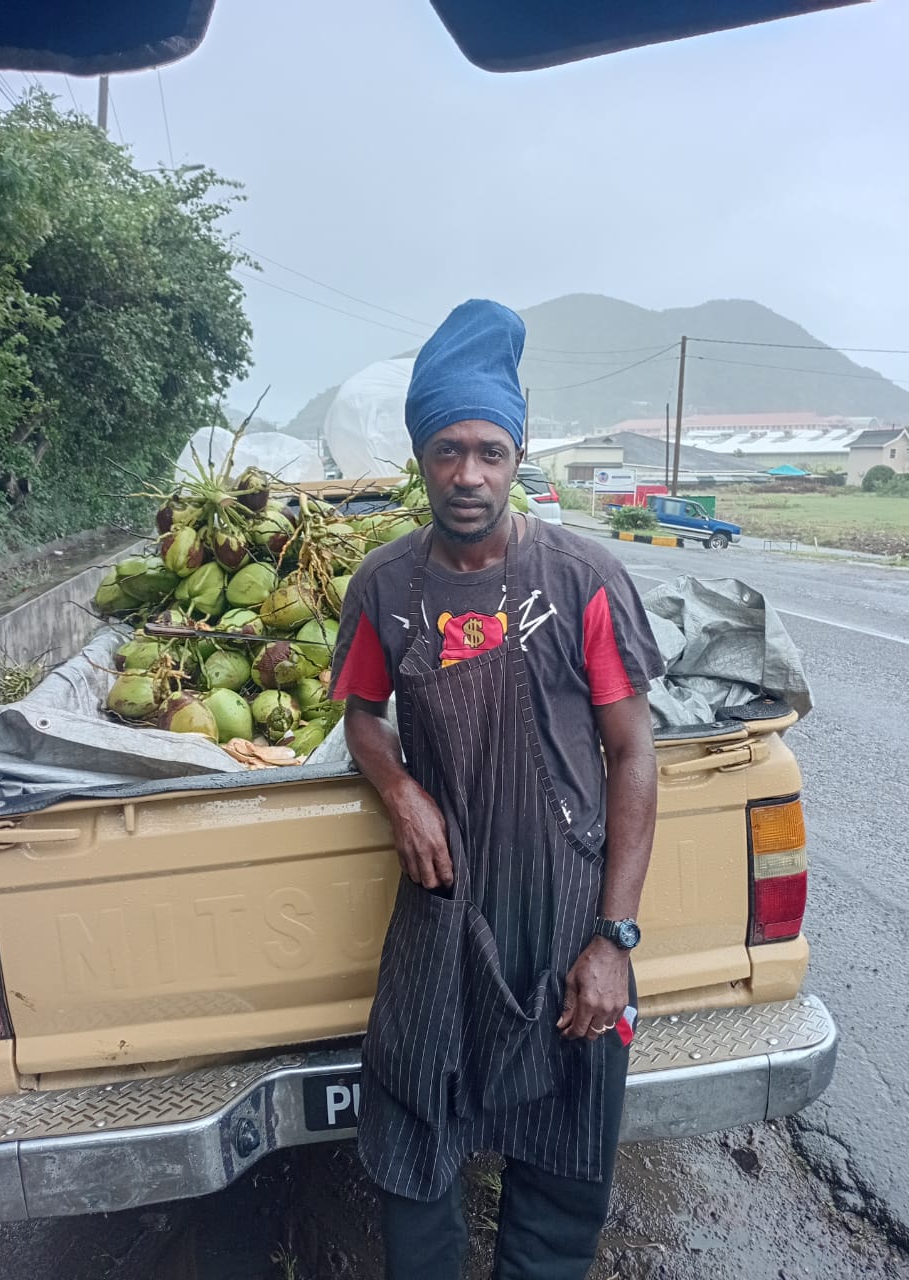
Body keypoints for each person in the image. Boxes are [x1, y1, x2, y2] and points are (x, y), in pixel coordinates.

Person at [329, 298, 663, 1280]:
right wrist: (398, 787)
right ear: (420, 458)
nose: (467, 474)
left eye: (488, 450)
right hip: (445, 912)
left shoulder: (584, 579)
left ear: (516, 455)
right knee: (412, 1128)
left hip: (565, 909)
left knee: (562, 1154)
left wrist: (614, 937)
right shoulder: (386, 587)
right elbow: (357, 713)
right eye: (446, 450)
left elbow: (633, 754)